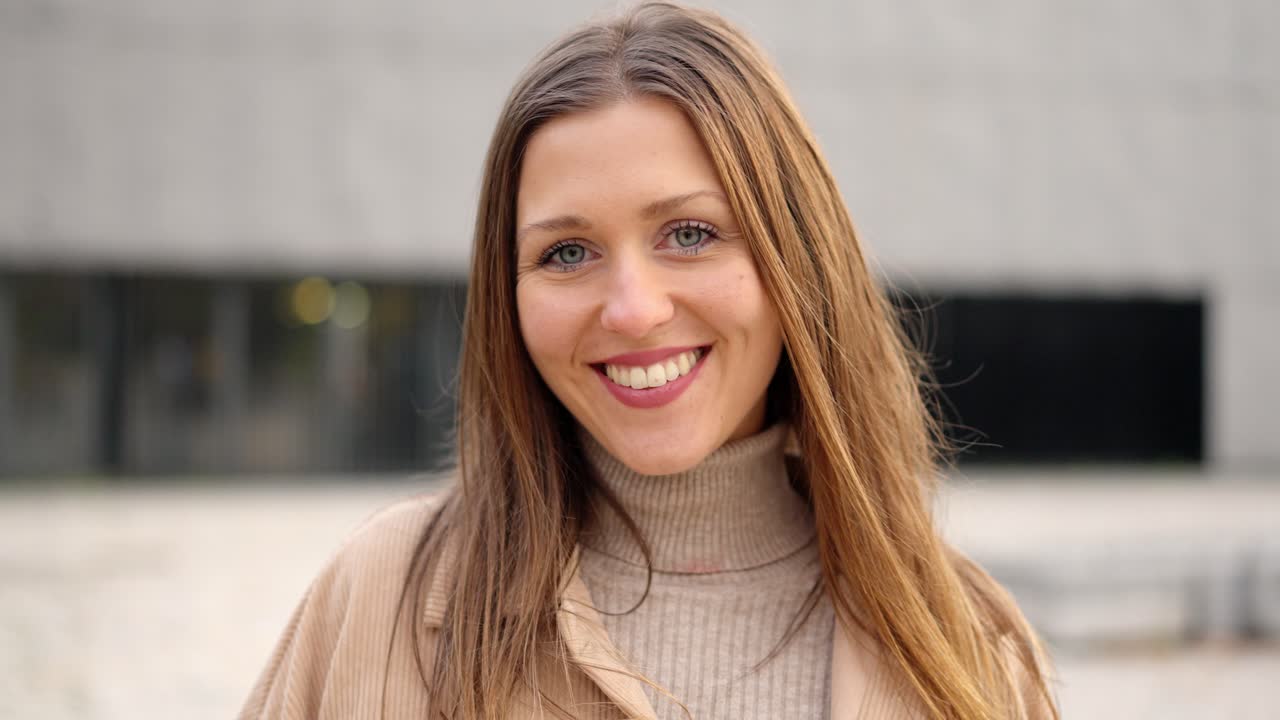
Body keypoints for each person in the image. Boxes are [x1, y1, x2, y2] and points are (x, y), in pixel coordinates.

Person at [240, 3, 1058, 719]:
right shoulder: (380, 600)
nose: (633, 308)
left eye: (691, 234)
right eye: (566, 252)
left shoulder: (973, 646)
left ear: (797, 261)